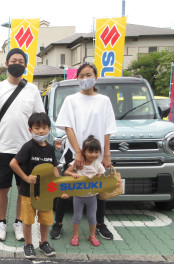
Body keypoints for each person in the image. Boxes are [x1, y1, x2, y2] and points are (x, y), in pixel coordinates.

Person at [0, 48, 45, 242]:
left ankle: (18, 222)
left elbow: (39, 120)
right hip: (2, 149)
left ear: (25, 65)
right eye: (13, 60)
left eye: (21, 61)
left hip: (26, 150)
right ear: (7, 64)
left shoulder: (33, 90)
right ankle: (2, 223)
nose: (17, 63)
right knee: (2, 188)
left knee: (23, 189)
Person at [50, 62, 117, 240]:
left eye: (89, 75)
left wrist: (107, 155)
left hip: (97, 154)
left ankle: (100, 224)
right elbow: (67, 127)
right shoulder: (71, 100)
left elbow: (107, 130)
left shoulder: (104, 101)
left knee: (99, 189)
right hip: (75, 153)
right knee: (65, 188)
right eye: (82, 76)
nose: (85, 79)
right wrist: (78, 152)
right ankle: (58, 224)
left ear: (96, 77)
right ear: (77, 78)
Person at [10, 112, 58, 259]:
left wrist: (60, 186)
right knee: (28, 220)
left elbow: (54, 168)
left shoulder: (50, 149)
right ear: (30, 130)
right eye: (37, 128)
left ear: (49, 128)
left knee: (45, 220)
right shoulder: (28, 147)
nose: (41, 131)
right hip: (27, 192)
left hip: (46, 193)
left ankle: (44, 243)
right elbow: (13, 163)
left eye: (44, 127)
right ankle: (28, 245)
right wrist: (26, 177)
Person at [64, 135, 105, 247]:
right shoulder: (77, 162)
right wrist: (73, 174)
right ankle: (75, 236)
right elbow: (66, 173)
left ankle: (92, 235)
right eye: (90, 152)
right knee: (77, 216)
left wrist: (98, 177)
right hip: (78, 196)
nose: (94, 155)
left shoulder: (98, 165)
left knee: (92, 217)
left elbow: (102, 177)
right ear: (83, 152)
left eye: (97, 152)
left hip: (92, 197)